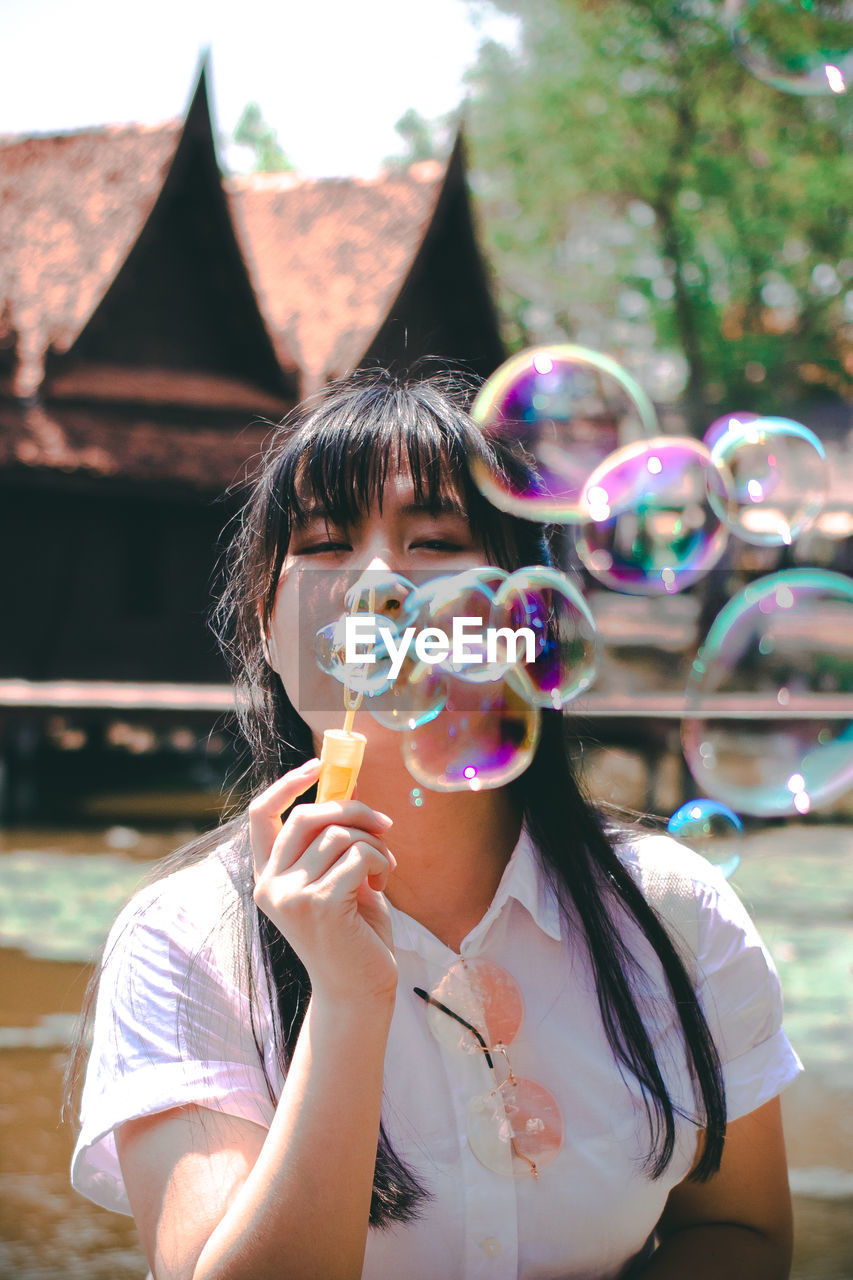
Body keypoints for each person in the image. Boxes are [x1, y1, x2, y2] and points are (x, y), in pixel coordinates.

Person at [68, 370, 802, 1280]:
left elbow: (741, 1233)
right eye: (326, 544)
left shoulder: (671, 908)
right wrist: (345, 997)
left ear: (523, 620)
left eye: (436, 541)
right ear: (263, 624)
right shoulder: (183, 943)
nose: (379, 585)